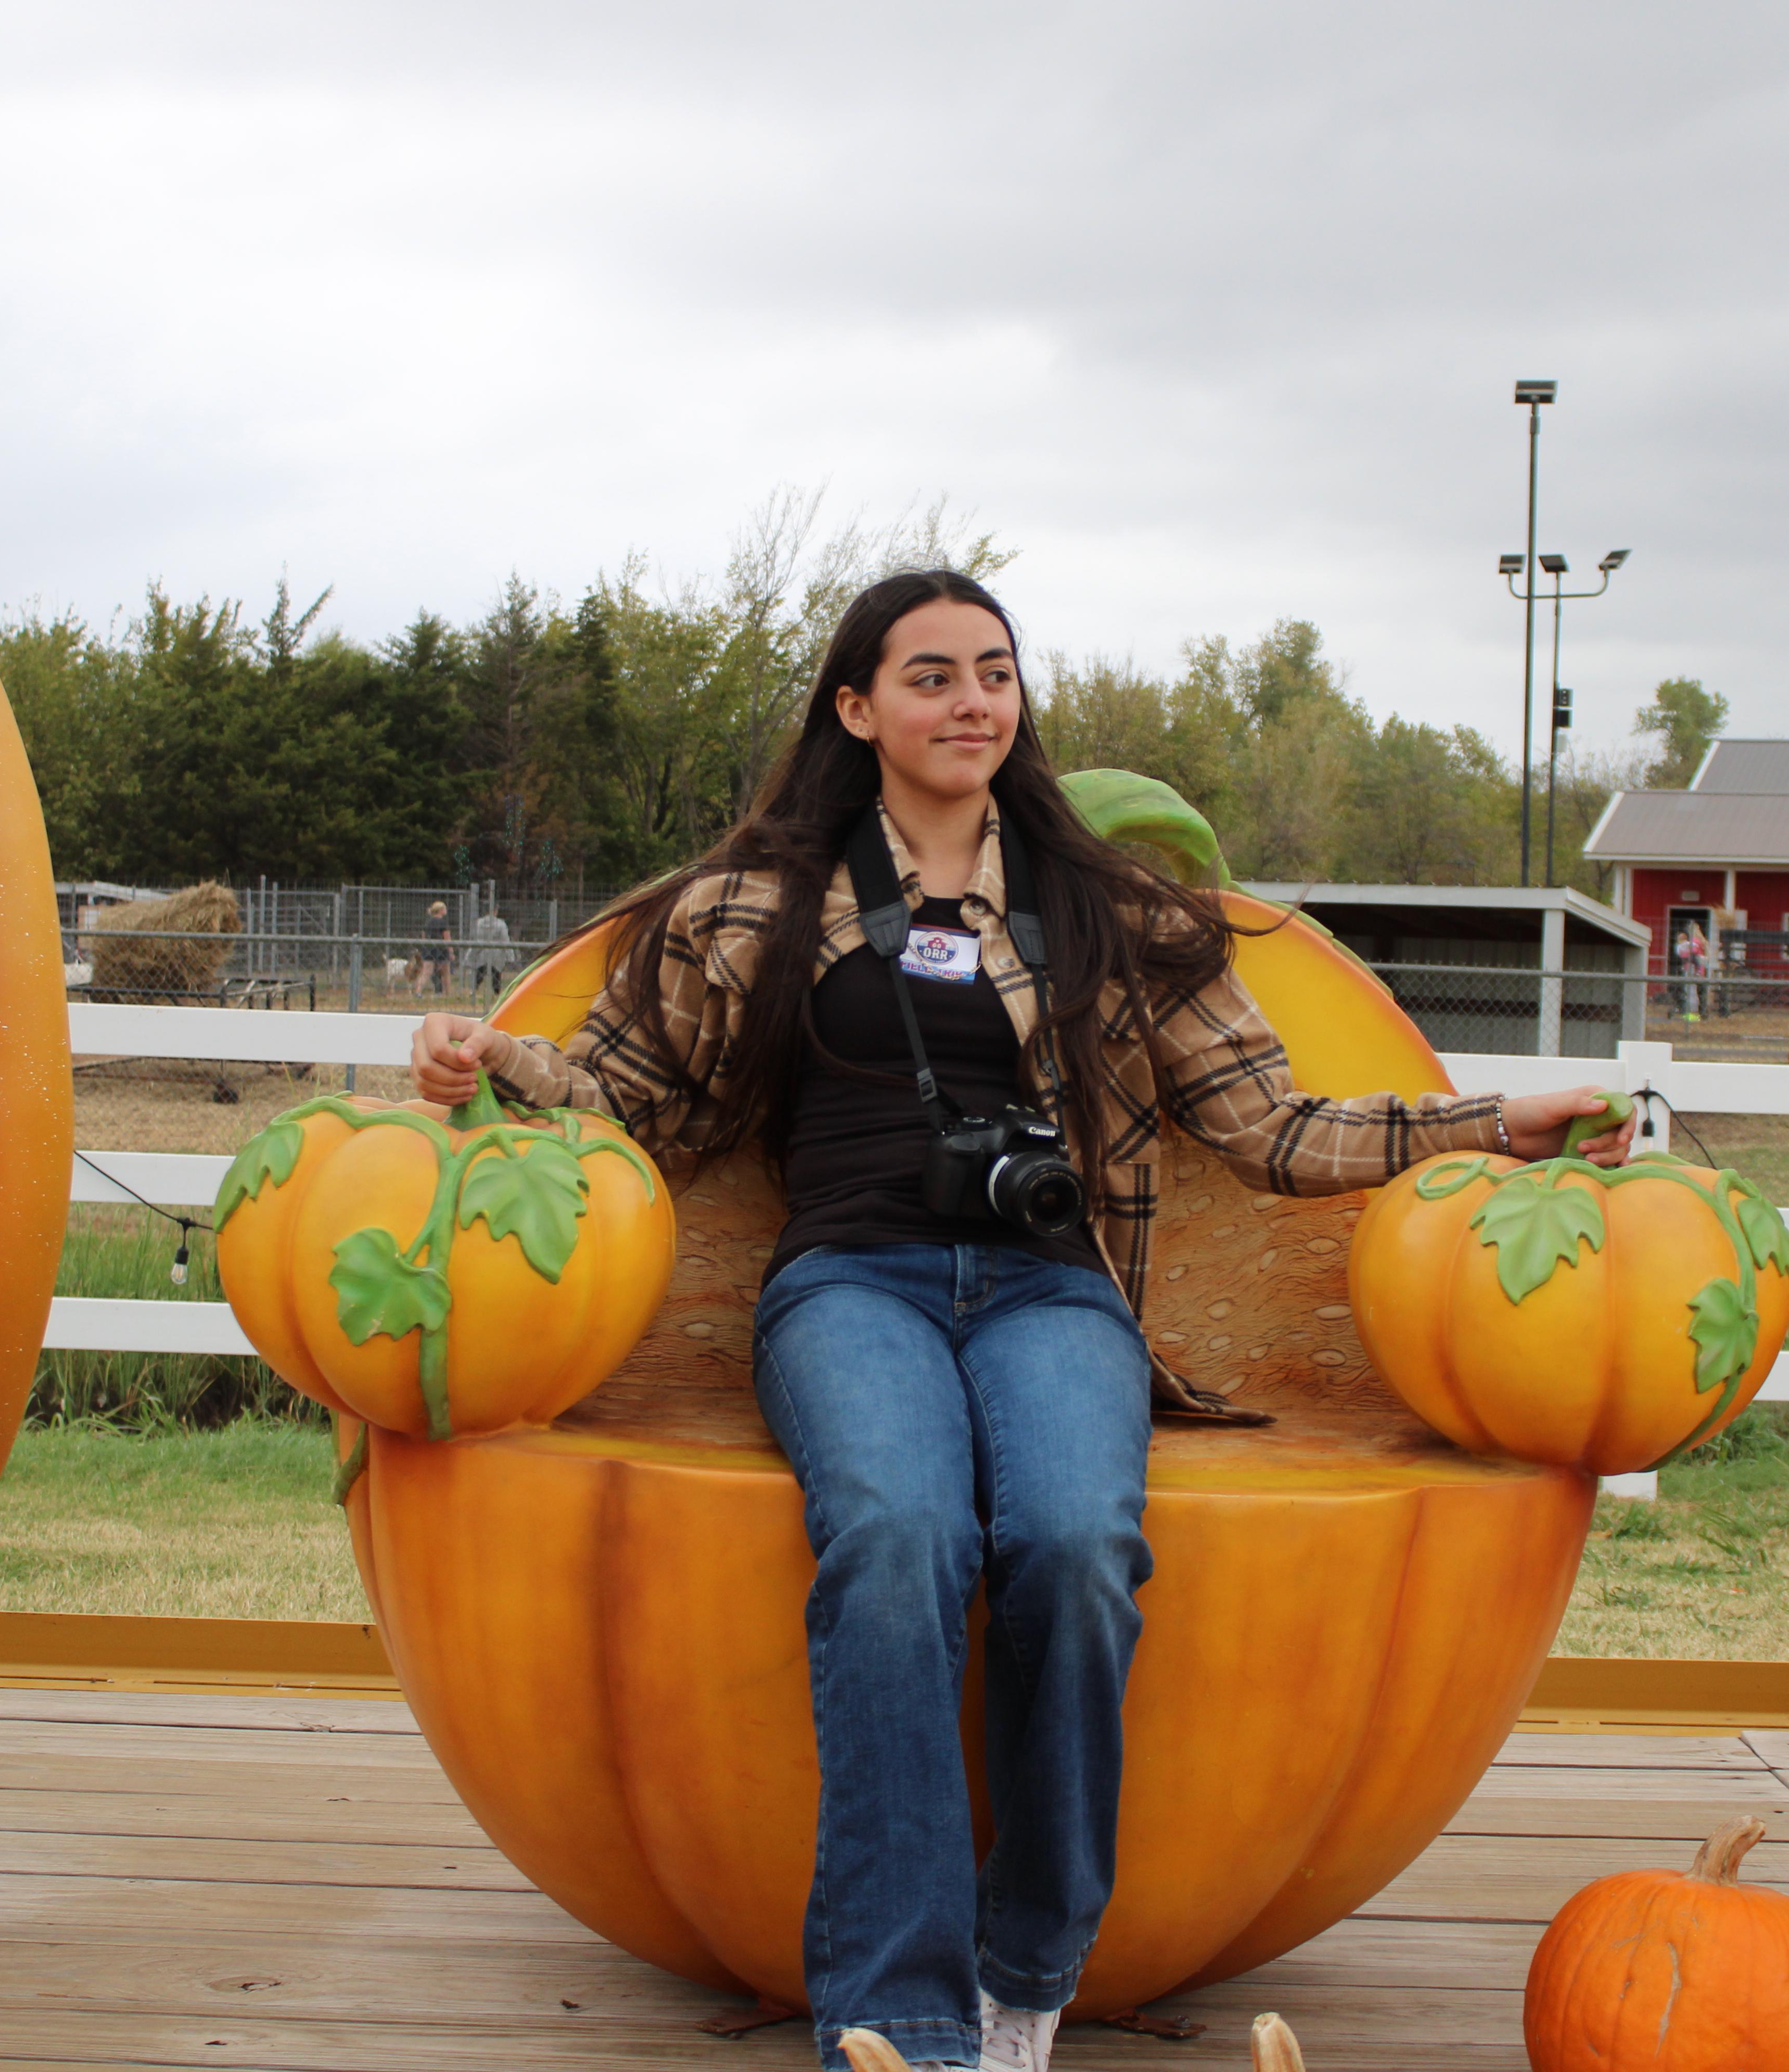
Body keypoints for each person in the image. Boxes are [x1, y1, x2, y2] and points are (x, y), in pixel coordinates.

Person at [411, 570, 1630, 2072]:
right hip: (852, 1282)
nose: (971, 701)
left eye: (995, 673)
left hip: (1054, 1292)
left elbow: (1278, 1130)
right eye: (931, 677)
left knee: (1073, 1544)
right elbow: (635, 1108)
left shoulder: (1109, 913)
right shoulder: (755, 906)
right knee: (897, 1536)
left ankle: (1029, 1967)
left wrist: (1504, 1120)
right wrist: (494, 1064)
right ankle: (900, 2018)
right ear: (856, 710)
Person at [413, 899, 455, 998]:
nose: (446, 910)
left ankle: (418, 991)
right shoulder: (443, 923)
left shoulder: (428, 923)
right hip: (442, 950)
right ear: (440, 910)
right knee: (446, 973)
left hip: (429, 950)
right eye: (444, 908)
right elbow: (447, 938)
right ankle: (448, 994)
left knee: (426, 972)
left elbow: (424, 937)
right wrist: (451, 952)